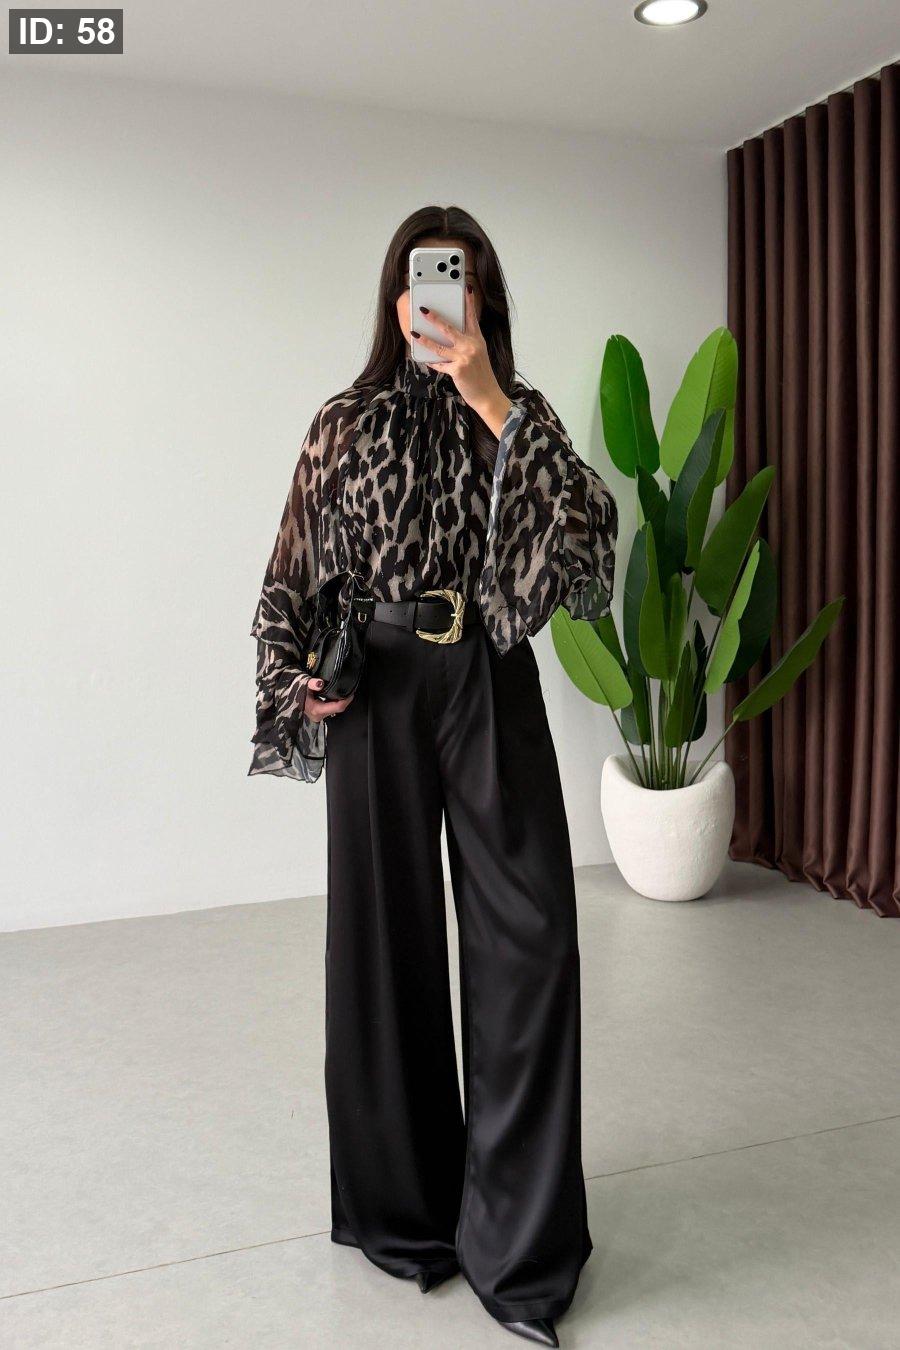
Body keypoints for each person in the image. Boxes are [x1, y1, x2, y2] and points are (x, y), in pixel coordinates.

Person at [248, 205, 618, 1347]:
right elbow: (290, 574)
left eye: (466, 283)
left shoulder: (520, 417)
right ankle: (407, 1216)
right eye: (428, 282)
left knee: (530, 941)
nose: (446, 302)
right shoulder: (345, 422)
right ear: (396, 298)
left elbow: (590, 541)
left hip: (491, 676)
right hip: (379, 687)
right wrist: (294, 678)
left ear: (485, 301)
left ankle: (521, 1246)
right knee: (385, 947)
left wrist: (493, 402)